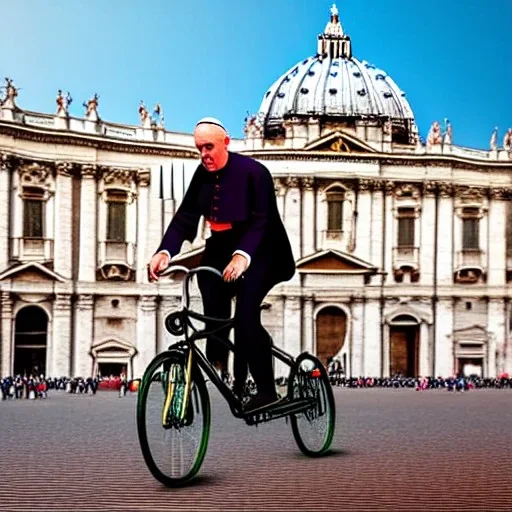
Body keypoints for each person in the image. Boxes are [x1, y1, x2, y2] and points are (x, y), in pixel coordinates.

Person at [148, 117, 295, 411]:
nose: (204, 154)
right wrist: (165, 251)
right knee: (209, 289)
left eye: (209, 147)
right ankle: (221, 358)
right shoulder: (202, 176)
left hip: (263, 249)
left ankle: (266, 390)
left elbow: (263, 220)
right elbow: (185, 216)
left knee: (246, 313)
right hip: (220, 246)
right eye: (199, 149)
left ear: (226, 143)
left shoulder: (255, 172)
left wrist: (243, 255)